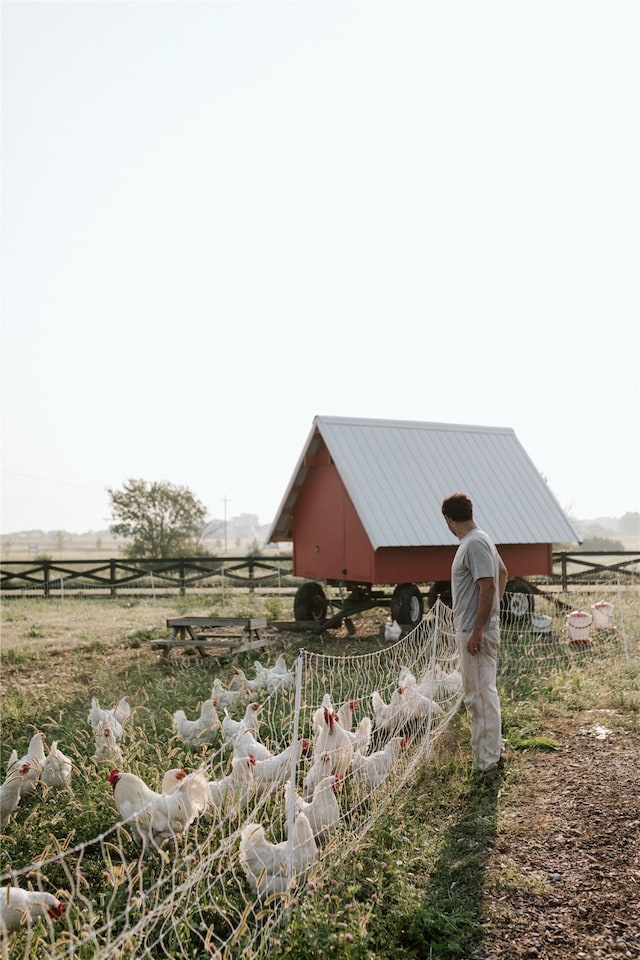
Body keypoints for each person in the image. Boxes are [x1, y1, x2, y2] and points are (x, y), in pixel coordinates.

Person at [441, 492, 508, 774]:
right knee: (481, 693)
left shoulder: (474, 543)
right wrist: (492, 613)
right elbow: (503, 573)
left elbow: (489, 585)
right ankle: (492, 753)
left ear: (448, 518)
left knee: (479, 697)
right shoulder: (481, 539)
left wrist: (480, 627)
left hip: (474, 631)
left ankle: (487, 763)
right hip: (477, 628)